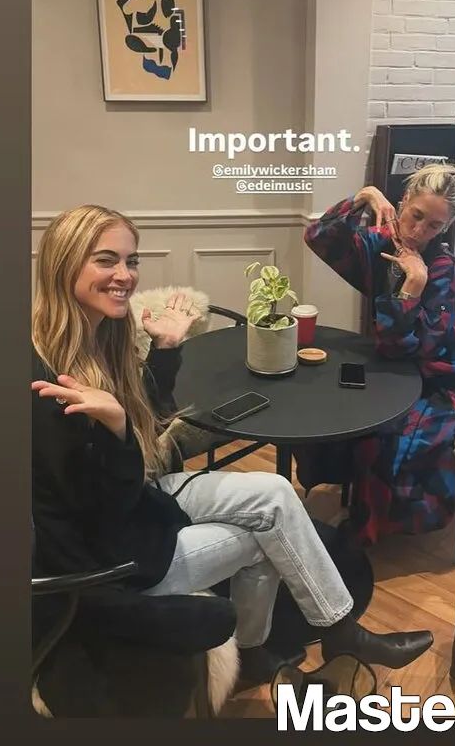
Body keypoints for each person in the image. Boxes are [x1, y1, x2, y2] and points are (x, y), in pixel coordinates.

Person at [31, 204, 433, 687]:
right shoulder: (44, 379)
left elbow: (145, 425)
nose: (124, 275)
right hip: (109, 558)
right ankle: (255, 654)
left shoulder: (97, 336)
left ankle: (340, 631)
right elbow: (96, 508)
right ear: (63, 264)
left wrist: (164, 352)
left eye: (130, 261)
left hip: (137, 502)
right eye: (105, 260)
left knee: (275, 494)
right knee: (265, 539)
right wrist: (118, 430)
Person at [299, 163, 455, 546]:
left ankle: (366, 531)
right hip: (399, 369)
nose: (418, 231)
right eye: (415, 215)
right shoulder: (380, 244)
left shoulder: (445, 272)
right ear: (403, 201)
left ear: (446, 227)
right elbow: (318, 236)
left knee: (389, 439)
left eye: (433, 225)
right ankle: (347, 498)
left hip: (448, 379)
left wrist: (412, 288)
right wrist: (364, 196)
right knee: (330, 408)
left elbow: (411, 347)